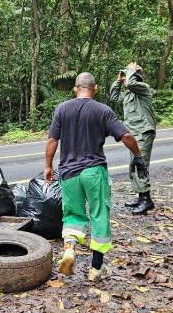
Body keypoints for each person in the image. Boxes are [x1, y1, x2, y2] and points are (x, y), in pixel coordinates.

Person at [45, 72, 145, 281]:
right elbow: (125, 135)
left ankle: (70, 249)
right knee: (99, 214)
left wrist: (48, 166)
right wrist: (137, 155)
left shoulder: (62, 109)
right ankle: (96, 268)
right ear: (95, 88)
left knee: (72, 214)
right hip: (94, 171)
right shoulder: (103, 110)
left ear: (75, 88)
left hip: (69, 173)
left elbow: (52, 140)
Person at [109, 61, 156, 214]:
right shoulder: (128, 94)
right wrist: (118, 80)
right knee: (134, 165)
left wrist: (131, 71)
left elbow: (130, 84)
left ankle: (146, 200)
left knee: (141, 165)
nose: (125, 78)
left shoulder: (143, 89)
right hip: (133, 133)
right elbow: (114, 96)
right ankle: (141, 197)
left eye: (127, 75)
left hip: (143, 132)